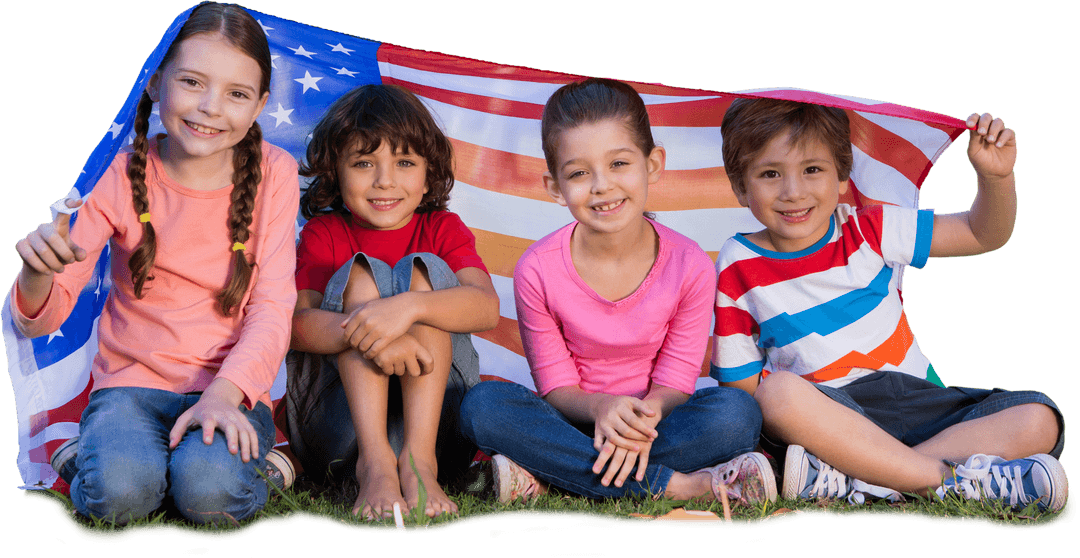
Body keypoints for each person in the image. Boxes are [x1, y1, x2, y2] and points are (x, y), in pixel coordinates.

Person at [11, 3, 299, 524]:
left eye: (236, 94)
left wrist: (224, 395)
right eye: (192, 82)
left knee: (211, 498)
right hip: (129, 388)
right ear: (155, 83)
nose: (211, 107)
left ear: (259, 105)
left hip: (229, 387)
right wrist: (37, 274)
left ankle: (268, 463)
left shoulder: (276, 174)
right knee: (119, 499)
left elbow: (273, 305)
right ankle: (102, 458)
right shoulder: (119, 177)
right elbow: (46, 315)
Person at [712, 98, 1067, 511]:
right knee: (776, 396)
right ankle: (942, 481)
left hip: (917, 401)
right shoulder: (738, 263)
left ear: (842, 176)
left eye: (812, 169)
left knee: (1039, 418)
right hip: (832, 415)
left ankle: (869, 481)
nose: (793, 192)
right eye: (770, 174)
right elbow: (740, 393)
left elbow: (981, 233)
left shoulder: (870, 228)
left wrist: (996, 178)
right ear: (740, 187)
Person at [459, 78, 774, 505]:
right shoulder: (537, 268)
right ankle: (675, 484)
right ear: (555, 187)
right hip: (571, 421)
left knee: (737, 414)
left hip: (657, 424)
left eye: (619, 164)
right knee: (483, 405)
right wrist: (602, 409)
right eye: (578, 173)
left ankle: (554, 476)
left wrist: (642, 421)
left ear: (653, 164)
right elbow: (555, 385)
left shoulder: (690, 265)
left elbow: (676, 380)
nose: (602, 186)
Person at [285, 84, 500, 520]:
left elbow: (486, 307)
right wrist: (374, 337)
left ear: (428, 175)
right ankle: (377, 464)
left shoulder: (443, 226)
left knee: (421, 270)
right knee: (362, 274)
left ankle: (420, 463)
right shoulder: (323, 234)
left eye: (404, 162)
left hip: (440, 431)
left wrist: (410, 309)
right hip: (341, 432)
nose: (384, 180)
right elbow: (295, 325)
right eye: (364, 163)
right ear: (335, 172)